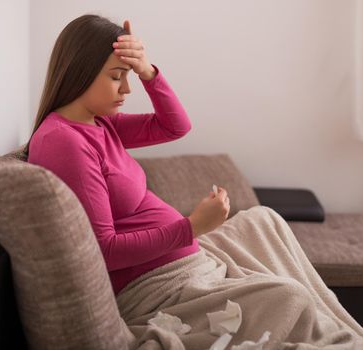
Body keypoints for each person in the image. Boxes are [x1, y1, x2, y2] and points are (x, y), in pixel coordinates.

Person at [25, 14, 230, 296]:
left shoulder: (100, 122)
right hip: (154, 284)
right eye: (116, 76)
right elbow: (103, 251)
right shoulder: (64, 142)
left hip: (176, 264)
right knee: (290, 296)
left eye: (128, 75)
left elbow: (175, 127)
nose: (127, 88)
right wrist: (191, 227)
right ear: (79, 72)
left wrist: (147, 71)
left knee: (266, 220)